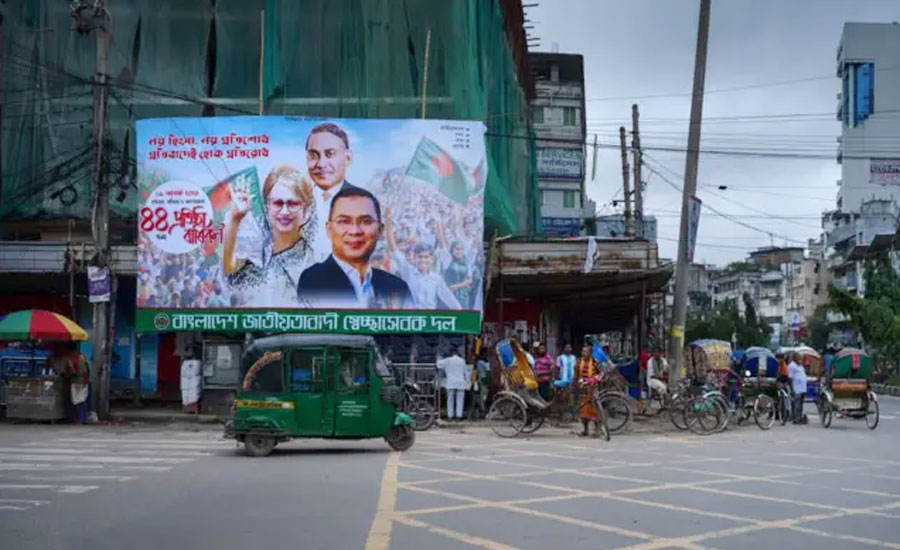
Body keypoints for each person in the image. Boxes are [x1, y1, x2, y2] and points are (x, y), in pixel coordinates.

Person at [297, 187, 412, 309]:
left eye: (366, 221)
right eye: (344, 221)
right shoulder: (314, 281)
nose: (355, 231)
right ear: (329, 229)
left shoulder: (397, 288)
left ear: (380, 230)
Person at [224, 165, 315, 306]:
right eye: (277, 203)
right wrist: (235, 219)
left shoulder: (312, 264)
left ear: (307, 211)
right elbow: (230, 271)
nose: (284, 212)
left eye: (293, 204)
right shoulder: (257, 250)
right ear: (267, 209)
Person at [305, 122, 364, 263]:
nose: (321, 164)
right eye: (313, 155)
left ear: (348, 158)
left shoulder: (362, 202)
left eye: (330, 154)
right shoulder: (297, 201)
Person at [384, 208, 462, 310]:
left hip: (428, 317)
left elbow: (451, 301)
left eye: (426, 257)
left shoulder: (436, 279)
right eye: (420, 257)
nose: (423, 260)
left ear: (431, 259)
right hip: (410, 316)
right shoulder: (408, 271)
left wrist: (464, 315)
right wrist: (388, 222)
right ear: (414, 258)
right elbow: (393, 248)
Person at [575, 345, 600, 437]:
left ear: (590, 353)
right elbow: (576, 374)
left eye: (585, 351)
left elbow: (600, 374)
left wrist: (593, 380)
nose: (583, 353)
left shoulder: (595, 362)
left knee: (594, 410)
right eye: (583, 351)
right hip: (583, 389)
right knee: (583, 411)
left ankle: (597, 430)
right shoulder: (579, 362)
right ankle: (585, 430)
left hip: (592, 388)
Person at [437, 347, 467, 420]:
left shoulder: (447, 360)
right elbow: (465, 372)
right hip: (460, 382)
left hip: (451, 382)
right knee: (460, 400)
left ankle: (450, 416)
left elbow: (438, 365)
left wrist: (438, 356)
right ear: (457, 352)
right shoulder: (462, 361)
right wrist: (467, 381)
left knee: (450, 400)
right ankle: (459, 416)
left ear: (451, 353)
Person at [787, 352, 807, 424]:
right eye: (798, 358)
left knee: (801, 403)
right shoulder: (791, 365)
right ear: (795, 358)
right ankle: (796, 419)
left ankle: (800, 417)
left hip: (802, 387)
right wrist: (792, 389)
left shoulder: (800, 366)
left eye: (800, 358)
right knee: (796, 403)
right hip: (796, 387)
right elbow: (790, 378)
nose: (800, 359)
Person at [471, 347, 491, 419]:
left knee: (480, 396)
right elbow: (488, 372)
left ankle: (480, 410)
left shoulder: (478, 362)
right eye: (486, 353)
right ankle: (482, 411)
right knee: (483, 397)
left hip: (480, 380)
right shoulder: (483, 362)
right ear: (483, 353)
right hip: (483, 381)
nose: (487, 354)